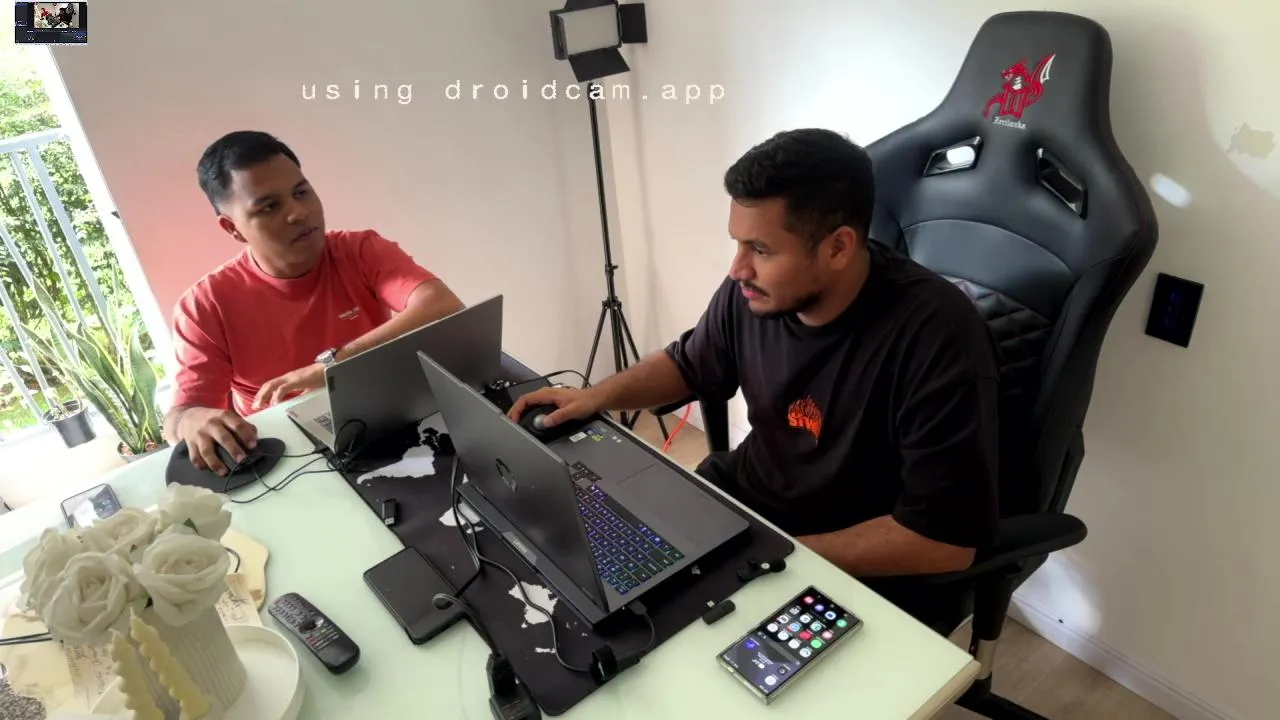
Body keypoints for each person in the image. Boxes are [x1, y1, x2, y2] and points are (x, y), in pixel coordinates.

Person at [509, 128, 1001, 623]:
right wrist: (594, 397)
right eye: (738, 244)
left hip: (853, 556)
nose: (738, 268)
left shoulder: (938, 337)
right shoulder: (754, 292)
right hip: (751, 503)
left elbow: (944, 543)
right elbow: (689, 365)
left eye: (761, 249)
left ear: (838, 247)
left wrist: (770, 552)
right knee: (589, 579)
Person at [164, 130, 465, 476]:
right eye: (270, 206)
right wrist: (191, 420)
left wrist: (333, 366)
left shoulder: (359, 251)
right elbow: (179, 419)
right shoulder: (204, 305)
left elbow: (442, 305)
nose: (299, 213)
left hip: (384, 427)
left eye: (301, 192)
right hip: (282, 460)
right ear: (232, 228)